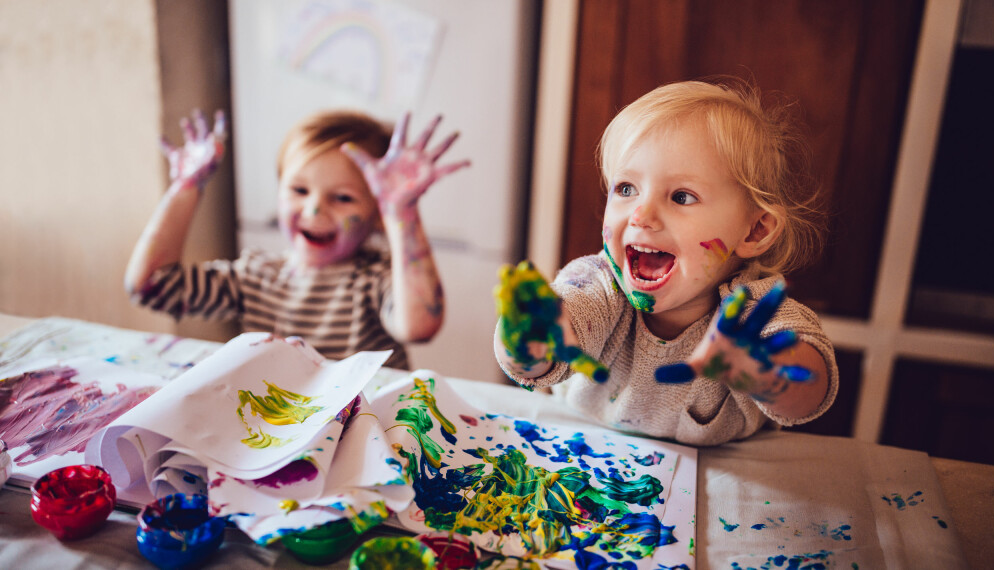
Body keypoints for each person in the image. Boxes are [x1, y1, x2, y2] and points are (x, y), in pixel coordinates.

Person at [494, 79, 838, 446]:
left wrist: (764, 372)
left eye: (681, 196)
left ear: (754, 230)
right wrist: (525, 340)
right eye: (626, 188)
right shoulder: (599, 283)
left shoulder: (751, 314)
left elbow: (810, 395)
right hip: (579, 453)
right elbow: (536, 359)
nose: (642, 215)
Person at [125, 109, 468, 370]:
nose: (315, 208)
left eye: (343, 198)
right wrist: (186, 188)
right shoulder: (255, 276)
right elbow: (151, 286)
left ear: (377, 213)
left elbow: (420, 326)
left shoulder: (375, 281)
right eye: (299, 190)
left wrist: (402, 213)